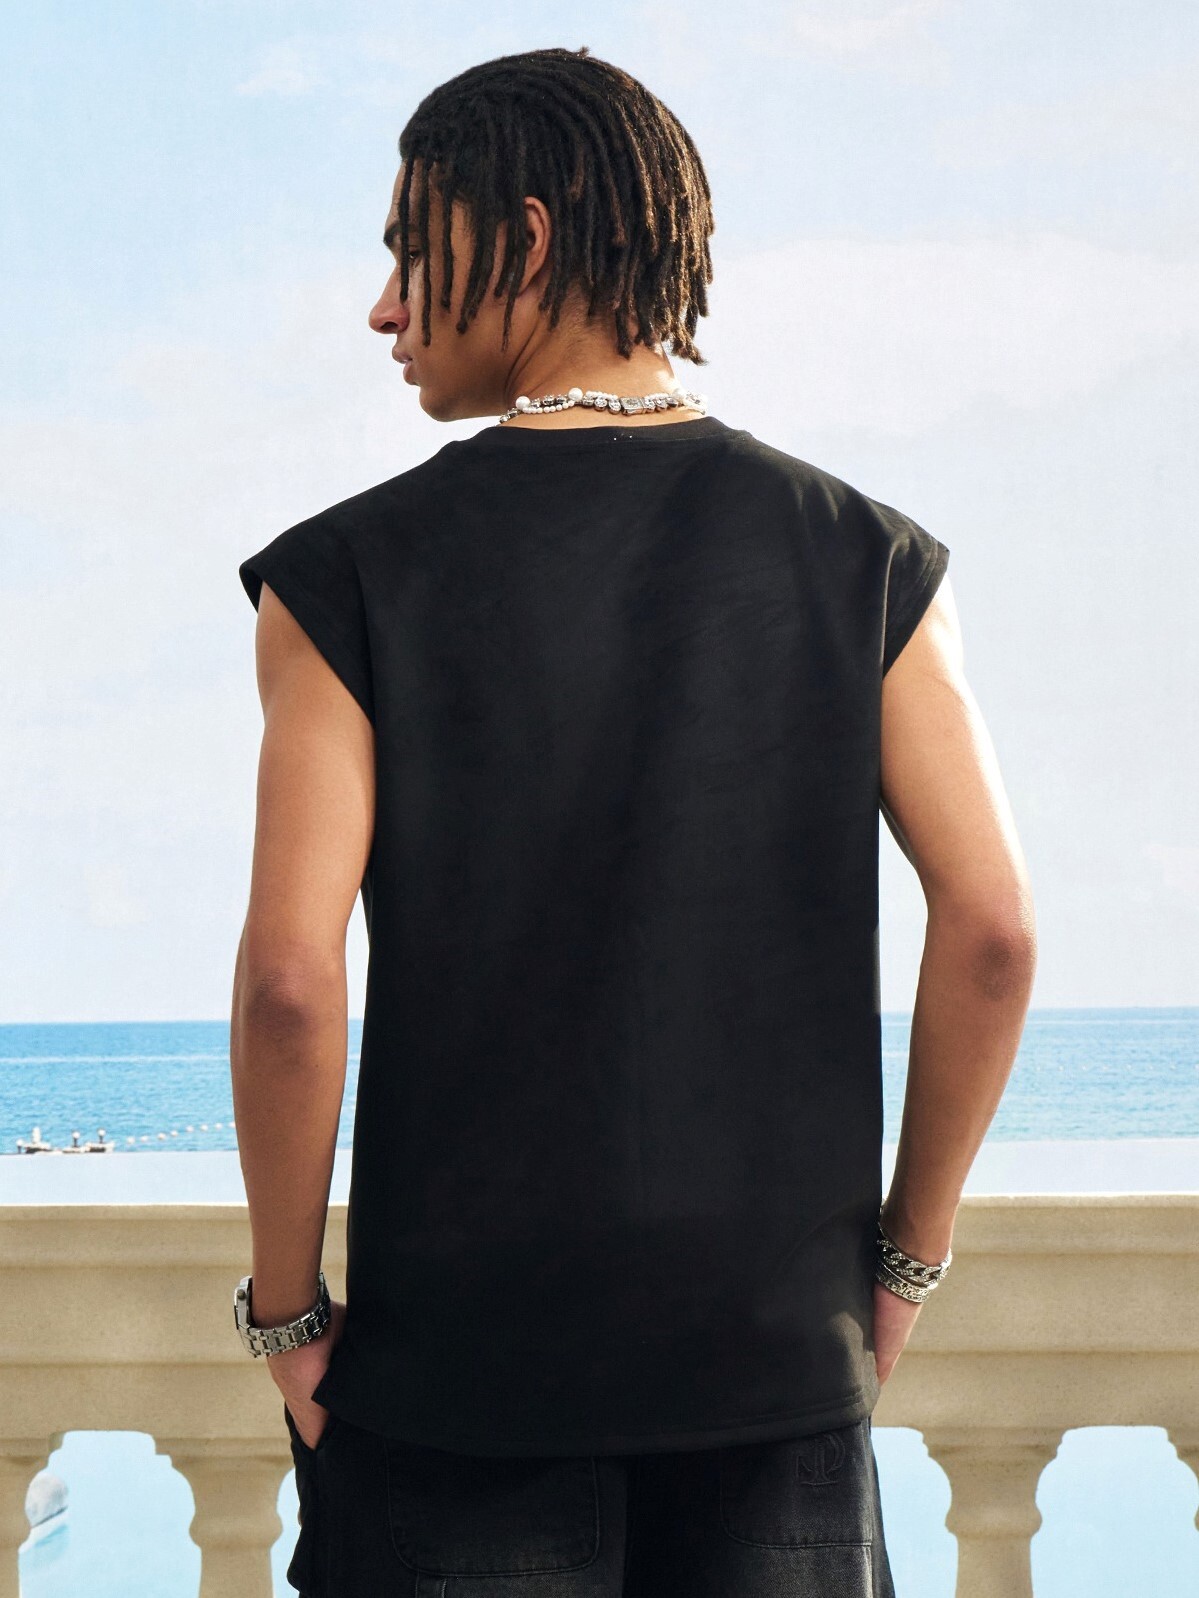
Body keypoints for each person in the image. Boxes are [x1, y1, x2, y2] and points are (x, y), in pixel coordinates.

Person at [229, 45, 1037, 1598]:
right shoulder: (867, 559)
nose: (384, 308)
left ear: (526, 239)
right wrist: (898, 1270)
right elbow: (995, 933)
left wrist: (288, 1317)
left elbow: (286, 986)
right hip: (776, 1398)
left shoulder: (345, 580)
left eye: (409, 249)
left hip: (451, 1406)